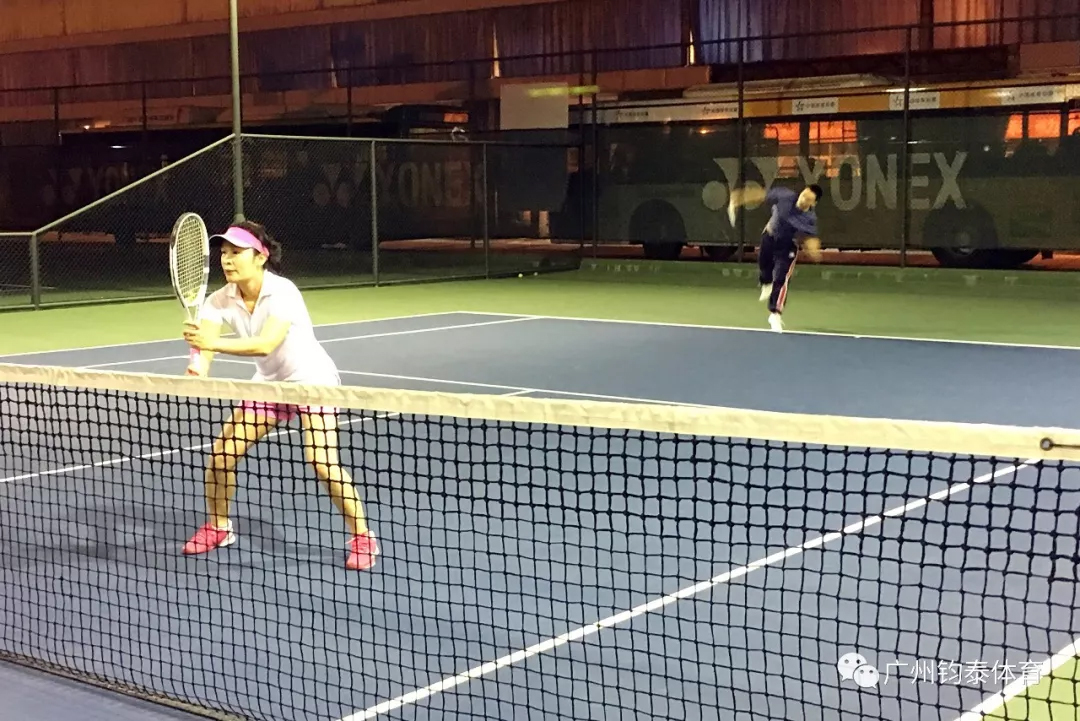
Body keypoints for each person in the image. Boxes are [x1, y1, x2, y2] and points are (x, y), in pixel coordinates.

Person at [180, 221, 379, 571]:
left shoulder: (283, 291)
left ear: (260, 257)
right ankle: (219, 526)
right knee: (222, 456)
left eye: (236, 252)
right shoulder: (217, 300)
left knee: (321, 462)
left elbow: (265, 343)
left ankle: (363, 537)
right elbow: (206, 345)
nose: (227, 259)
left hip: (312, 381)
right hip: (269, 384)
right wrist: (199, 367)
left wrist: (211, 344)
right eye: (223, 253)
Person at [729, 183, 823, 333]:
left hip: (788, 247)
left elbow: (811, 238)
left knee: (781, 278)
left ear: (813, 203)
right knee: (764, 265)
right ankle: (766, 283)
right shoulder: (786, 196)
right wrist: (739, 198)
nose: (803, 199)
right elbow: (760, 195)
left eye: (808, 199)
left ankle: (775, 314)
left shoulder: (809, 218)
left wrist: (814, 250)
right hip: (769, 236)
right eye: (803, 195)